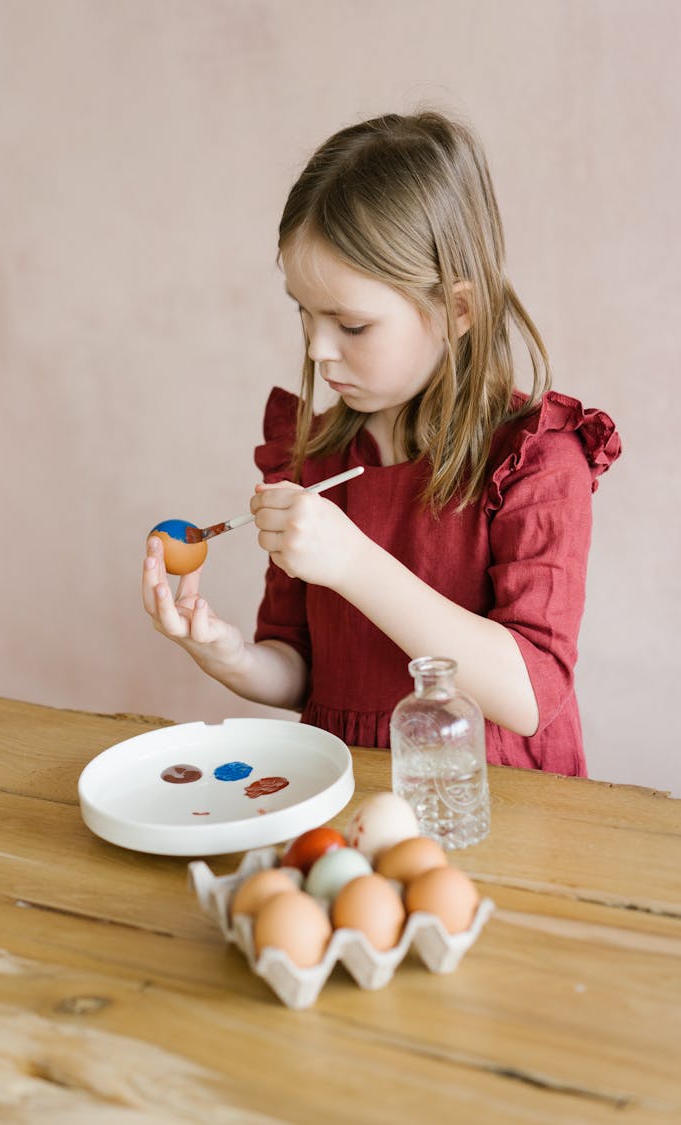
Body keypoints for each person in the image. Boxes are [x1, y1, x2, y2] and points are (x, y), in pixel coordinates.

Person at [142, 110, 621, 775]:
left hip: (496, 807)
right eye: (304, 313)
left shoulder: (537, 462)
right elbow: (300, 670)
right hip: (353, 797)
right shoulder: (311, 459)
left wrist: (354, 563)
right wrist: (228, 655)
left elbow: (529, 694)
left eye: (352, 324)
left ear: (457, 310)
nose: (317, 349)